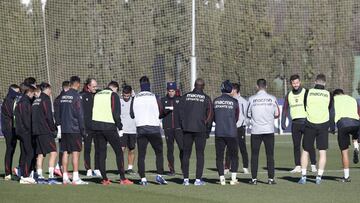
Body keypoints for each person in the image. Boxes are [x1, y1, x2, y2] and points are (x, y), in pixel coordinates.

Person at [92, 81, 133, 185]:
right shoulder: (113, 95)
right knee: (119, 152)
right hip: (109, 126)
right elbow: (115, 112)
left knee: (102, 153)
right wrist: (120, 127)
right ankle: (123, 179)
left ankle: (104, 179)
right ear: (115, 88)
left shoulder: (97, 94)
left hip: (96, 126)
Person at [130, 76, 167, 186]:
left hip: (141, 129)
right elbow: (161, 112)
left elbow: (132, 115)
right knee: (159, 153)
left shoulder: (135, 97)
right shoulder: (155, 97)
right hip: (154, 129)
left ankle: (143, 179)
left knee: (141, 155)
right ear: (149, 85)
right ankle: (159, 176)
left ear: (140, 85)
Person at [298, 74, 334, 185]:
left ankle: (303, 176)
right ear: (325, 83)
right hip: (323, 125)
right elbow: (331, 110)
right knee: (322, 152)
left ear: (315, 82)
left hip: (310, 124)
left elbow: (305, 106)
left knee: (305, 150)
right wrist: (332, 126)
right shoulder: (329, 94)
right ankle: (319, 177)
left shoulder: (307, 92)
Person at [180, 78, 213, 186]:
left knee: (186, 154)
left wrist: (183, 125)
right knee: (200, 155)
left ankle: (185, 180)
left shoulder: (185, 96)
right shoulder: (206, 98)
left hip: (187, 129)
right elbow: (210, 115)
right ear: (203, 86)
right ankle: (198, 180)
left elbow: (180, 112)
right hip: (200, 130)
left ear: (194, 85)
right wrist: (207, 128)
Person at [281, 74, 317, 173]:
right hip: (295, 124)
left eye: (297, 82)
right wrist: (283, 121)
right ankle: (298, 165)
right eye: (293, 83)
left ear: (300, 82)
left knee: (309, 144)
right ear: (291, 84)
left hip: (306, 122)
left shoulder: (306, 92)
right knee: (296, 145)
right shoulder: (289, 94)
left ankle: (313, 164)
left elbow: (313, 106)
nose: (296, 85)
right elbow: (285, 109)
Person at [247, 79, 280, 185]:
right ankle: (270, 179)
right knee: (270, 155)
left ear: (257, 86)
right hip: (269, 131)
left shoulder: (252, 99)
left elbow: (248, 114)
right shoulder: (272, 98)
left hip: (256, 131)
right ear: (266, 86)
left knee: (254, 155)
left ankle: (254, 179)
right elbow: (277, 114)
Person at [59, 76, 87, 185]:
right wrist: (83, 130)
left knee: (65, 152)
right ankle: (75, 177)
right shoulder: (77, 96)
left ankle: (65, 177)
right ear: (78, 84)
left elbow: (60, 112)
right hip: (74, 128)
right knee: (76, 152)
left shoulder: (63, 96)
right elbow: (80, 114)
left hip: (65, 128)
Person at [31, 83, 60, 184]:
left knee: (40, 153)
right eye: (50, 89)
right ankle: (51, 176)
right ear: (47, 89)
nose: (51, 91)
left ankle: (39, 176)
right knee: (53, 152)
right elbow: (48, 116)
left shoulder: (35, 101)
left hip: (36, 131)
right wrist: (54, 128)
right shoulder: (45, 99)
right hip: (45, 131)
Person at [213, 80, 240, 185]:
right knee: (234, 156)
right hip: (231, 132)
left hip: (219, 132)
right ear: (230, 89)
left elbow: (214, 117)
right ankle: (233, 179)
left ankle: (222, 179)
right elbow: (236, 117)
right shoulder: (234, 102)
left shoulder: (215, 101)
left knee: (219, 156)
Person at [332, 89, 360, 182]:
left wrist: (332, 128)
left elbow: (332, 114)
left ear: (335, 95)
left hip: (343, 124)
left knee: (344, 152)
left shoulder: (334, 99)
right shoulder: (352, 99)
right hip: (356, 123)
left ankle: (346, 177)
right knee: (355, 136)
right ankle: (356, 147)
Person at [224, 82, 250, 174]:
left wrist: (244, 123)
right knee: (229, 148)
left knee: (242, 148)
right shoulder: (229, 100)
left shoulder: (243, 101)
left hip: (240, 128)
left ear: (235, 90)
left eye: (232, 89)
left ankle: (245, 166)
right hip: (230, 127)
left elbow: (246, 114)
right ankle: (227, 167)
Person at [160, 82, 183, 176]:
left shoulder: (180, 100)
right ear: (167, 91)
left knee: (182, 148)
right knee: (170, 149)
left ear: (175, 90)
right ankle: (171, 170)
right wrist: (165, 111)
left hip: (179, 128)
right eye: (169, 91)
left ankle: (184, 168)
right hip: (168, 128)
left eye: (172, 91)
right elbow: (160, 114)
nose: (171, 93)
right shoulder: (163, 100)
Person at [14, 84, 36, 184]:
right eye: (33, 93)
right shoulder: (25, 102)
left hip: (20, 131)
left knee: (24, 153)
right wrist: (31, 130)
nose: (33, 95)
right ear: (29, 92)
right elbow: (26, 119)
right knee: (30, 152)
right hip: (25, 132)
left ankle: (22, 173)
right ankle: (25, 175)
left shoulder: (20, 101)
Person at [80, 78, 101, 177]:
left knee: (98, 148)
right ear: (88, 86)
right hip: (87, 127)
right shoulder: (82, 95)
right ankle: (88, 169)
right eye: (93, 86)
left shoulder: (98, 94)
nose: (95, 88)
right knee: (87, 148)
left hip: (97, 126)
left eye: (96, 86)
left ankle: (97, 168)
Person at [2, 84, 21, 180]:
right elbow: (13, 113)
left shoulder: (12, 99)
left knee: (13, 150)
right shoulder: (8, 100)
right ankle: (7, 173)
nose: (18, 94)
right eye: (17, 92)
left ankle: (16, 170)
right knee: (10, 149)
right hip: (8, 129)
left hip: (13, 128)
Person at [53, 80, 70, 177]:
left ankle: (59, 167)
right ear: (66, 88)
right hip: (64, 127)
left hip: (63, 127)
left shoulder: (58, 98)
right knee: (65, 149)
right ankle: (59, 168)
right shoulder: (61, 99)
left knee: (64, 149)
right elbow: (57, 115)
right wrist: (59, 129)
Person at [119, 85, 137, 175]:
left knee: (132, 149)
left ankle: (130, 168)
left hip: (133, 130)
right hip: (123, 130)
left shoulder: (135, 101)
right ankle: (121, 168)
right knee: (121, 149)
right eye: (124, 95)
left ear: (130, 93)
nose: (126, 97)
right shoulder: (119, 101)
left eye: (128, 95)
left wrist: (134, 96)